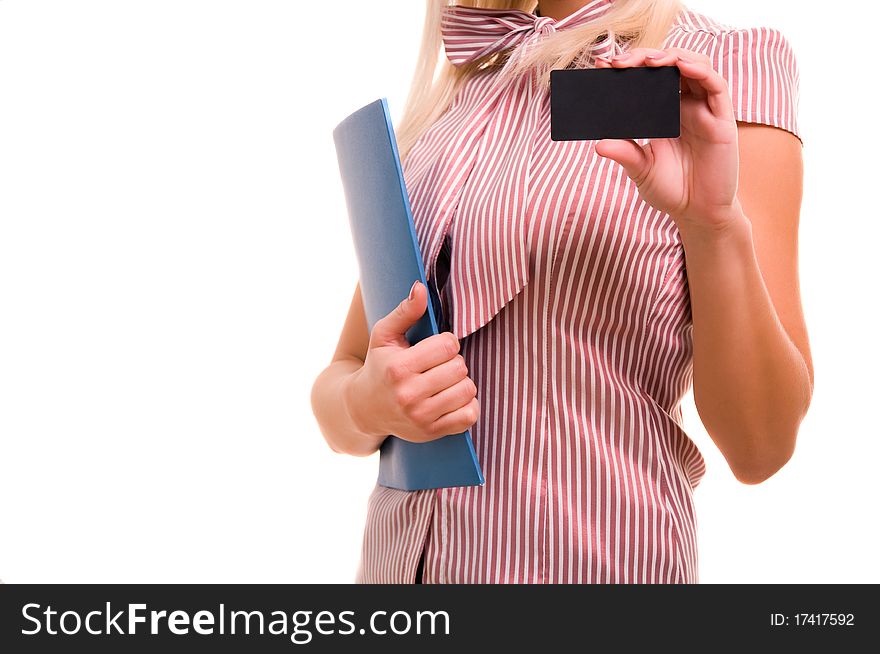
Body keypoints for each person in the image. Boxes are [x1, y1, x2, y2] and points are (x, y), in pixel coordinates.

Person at [311, 0, 813, 584]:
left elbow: (762, 445)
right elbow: (345, 369)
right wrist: (365, 403)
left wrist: (713, 225)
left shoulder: (724, 68)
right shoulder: (462, 93)